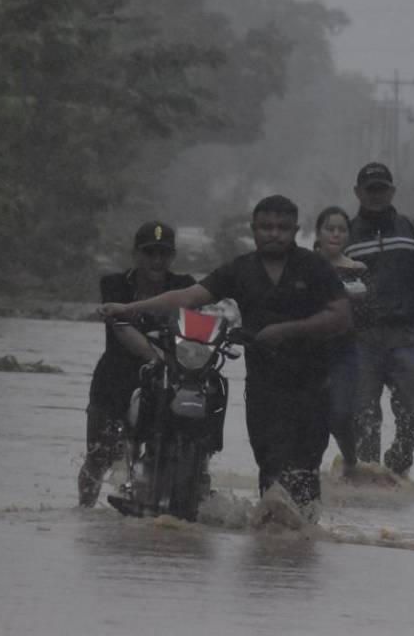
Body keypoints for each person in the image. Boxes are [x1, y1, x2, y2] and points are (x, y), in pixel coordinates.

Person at [100, 195, 351, 519]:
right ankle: (272, 539)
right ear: (254, 228)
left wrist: (287, 330)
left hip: (312, 386)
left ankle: (302, 540)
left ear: (295, 230)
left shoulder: (315, 267)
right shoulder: (241, 269)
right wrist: (129, 308)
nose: (274, 234)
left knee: (304, 471)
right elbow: (188, 297)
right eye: (266, 227)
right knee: (270, 469)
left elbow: (341, 317)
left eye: (282, 228)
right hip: (263, 388)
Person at [77, 221, 196, 507]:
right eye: (149, 253)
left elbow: (195, 328)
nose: (157, 260)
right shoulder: (114, 284)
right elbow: (121, 329)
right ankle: (85, 509)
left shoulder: (183, 286)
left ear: (172, 256)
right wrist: (157, 358)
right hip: (115, 378)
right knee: (99, 455)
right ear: (135, 254)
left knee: (165, 449)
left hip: (167, 380)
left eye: (163, 253)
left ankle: (153, 506)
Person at [346, 162, 414, 478]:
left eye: (382, 189)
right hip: (360, 340)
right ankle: (369, 479)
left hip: (405, 336)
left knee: (413, 412)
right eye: (370, 190)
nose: (376, 195)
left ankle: (398, 465)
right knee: (363, 416)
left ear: (392, 191)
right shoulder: (345, 235)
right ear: (358, 192)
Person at [313, 205, 367, 478]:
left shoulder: (358, 269)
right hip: (308, 352)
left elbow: (367, 314)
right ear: (318, 233)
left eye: (341, 230)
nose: (336, 234)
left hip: (345, 352)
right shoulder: (303, 266)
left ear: (348, 235)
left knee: (341, 414)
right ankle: (307, 475)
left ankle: (351, 462)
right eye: (330, 229)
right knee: (310, 420)